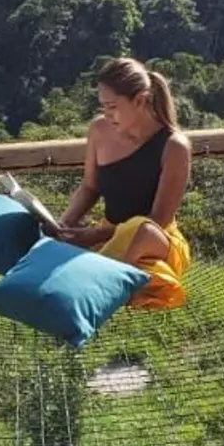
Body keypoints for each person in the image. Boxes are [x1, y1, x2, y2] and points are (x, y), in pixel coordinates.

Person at [55, 57, 193, 310]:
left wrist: (94, 236)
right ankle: (105, 273)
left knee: (141, 228)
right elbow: (90, 187)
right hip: (109, 234)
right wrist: (64, 225)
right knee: (55, 236)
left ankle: (95, 284)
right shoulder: (99, 130)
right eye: (103, 107)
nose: (106, 115)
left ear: (139, 100)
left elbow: (159, 221)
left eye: (112, 107)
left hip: (155, 239)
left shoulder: (174, 146)